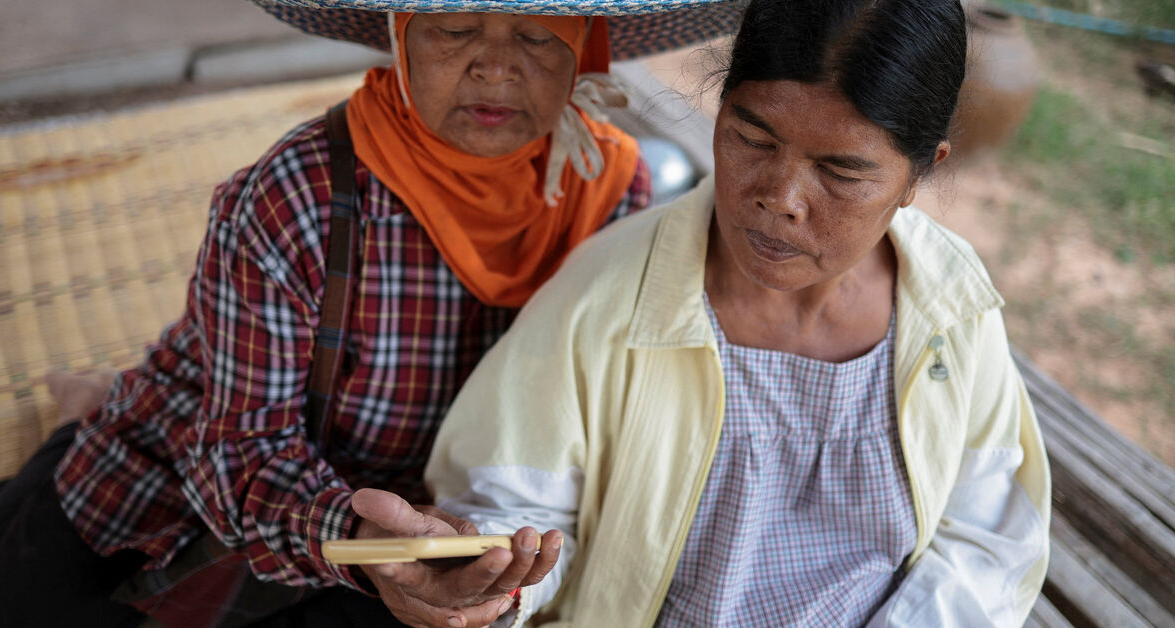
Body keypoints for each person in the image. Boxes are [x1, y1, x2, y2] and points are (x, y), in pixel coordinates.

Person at [0, 2, 744, 626]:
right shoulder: (295, 197)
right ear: (398, 36)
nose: (495, 67)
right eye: (454, 28)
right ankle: (91, 413)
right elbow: (241, 451)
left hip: (441, 526)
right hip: (234, 483)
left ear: (587, 50)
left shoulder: (614, 192)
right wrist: (360, 535)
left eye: (540, 36)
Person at [423, 0, 1052, 625]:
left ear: (918, 175)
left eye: (840, 172)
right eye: (753, 140)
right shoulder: (605, 298)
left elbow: (984, 545)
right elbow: (515, 510)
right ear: (721, 110)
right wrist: (495, 580)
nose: (781, 199)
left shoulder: (950, 307)